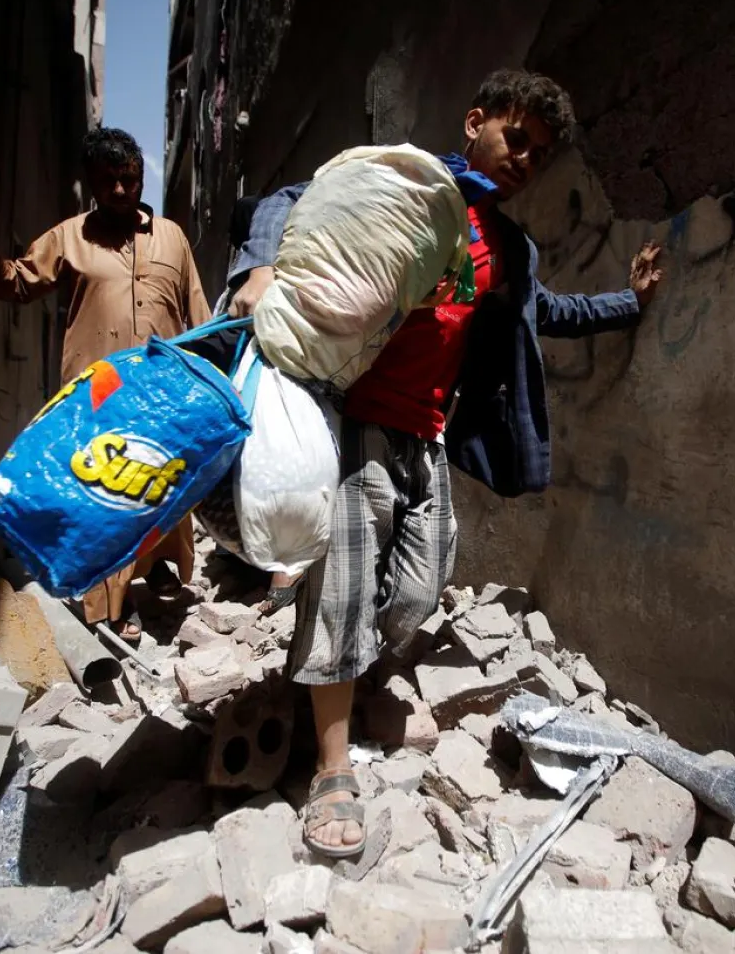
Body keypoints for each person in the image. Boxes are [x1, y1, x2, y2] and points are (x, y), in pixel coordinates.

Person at [227, 69, 666, 857]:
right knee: (344, 588)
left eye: (541, 153)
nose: (526, 159)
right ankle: (330, 769)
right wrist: (255, 270)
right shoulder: (408, 183)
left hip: (425, 437)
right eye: (516, 138)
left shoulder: (508, 245)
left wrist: (628, 303)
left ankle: (340, 671)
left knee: (421, 587)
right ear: (475, 122)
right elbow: (288, 203)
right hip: (356, 418)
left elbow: (550, 314)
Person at [0, 127, 213, 642]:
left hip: (163, 392)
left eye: (129, 178)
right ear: (91, 182)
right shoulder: (68, 237)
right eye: (108, 181)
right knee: (105, 498)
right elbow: (17, 281)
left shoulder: (173, 238)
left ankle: (150, 574)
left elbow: (196, 311)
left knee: (161, 488)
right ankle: (106, 613)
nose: (120, 190)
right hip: (99, 394)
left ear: (141, 176)